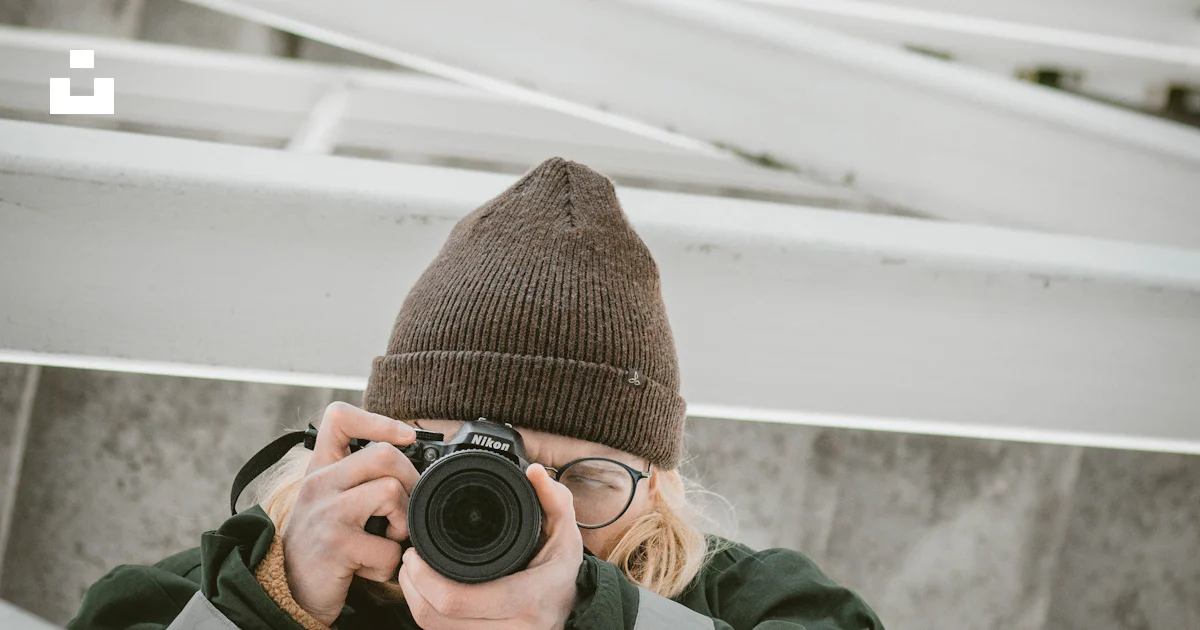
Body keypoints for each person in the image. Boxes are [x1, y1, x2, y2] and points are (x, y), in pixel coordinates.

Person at [67, 157, 883, 630]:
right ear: (379, 442)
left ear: (654, 488)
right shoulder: (227, 588)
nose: (525, 509)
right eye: (469, 462)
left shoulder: (746, 605)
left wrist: (592, 617)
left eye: (585, 479)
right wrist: (276, 601)